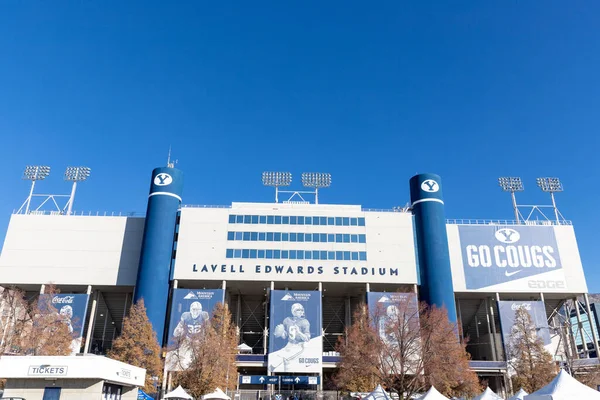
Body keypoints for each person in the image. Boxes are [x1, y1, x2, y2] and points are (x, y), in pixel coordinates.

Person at [269, 303, 311, 372]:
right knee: (280, 356)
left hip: (299, 345)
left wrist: (299, 332)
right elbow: (285, 336)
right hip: (289, 344)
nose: (301, 311)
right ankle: (275, 371)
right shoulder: (287, 320)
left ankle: (272, 368)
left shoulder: (305, 322)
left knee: (285, 357)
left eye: (301, 310)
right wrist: (281, 333)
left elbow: (307, 338)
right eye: (298, 310)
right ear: (293, 311)